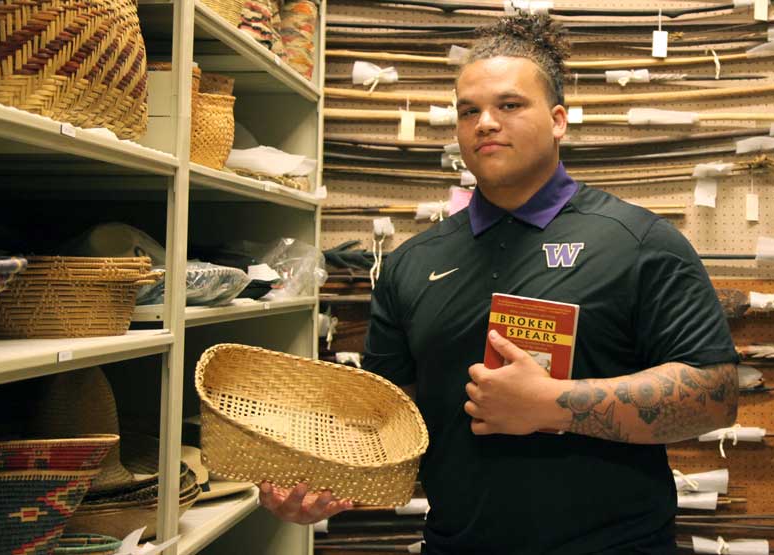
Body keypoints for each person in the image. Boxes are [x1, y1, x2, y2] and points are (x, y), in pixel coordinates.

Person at [261, 13, 739, 554]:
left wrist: (557, 403)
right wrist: (322, 477)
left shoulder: (639, 242)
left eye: (509, 105)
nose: (485, 122)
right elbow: (387, 422)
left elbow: (716, 396)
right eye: (469, 111)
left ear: (558, 120)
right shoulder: (411, 263)